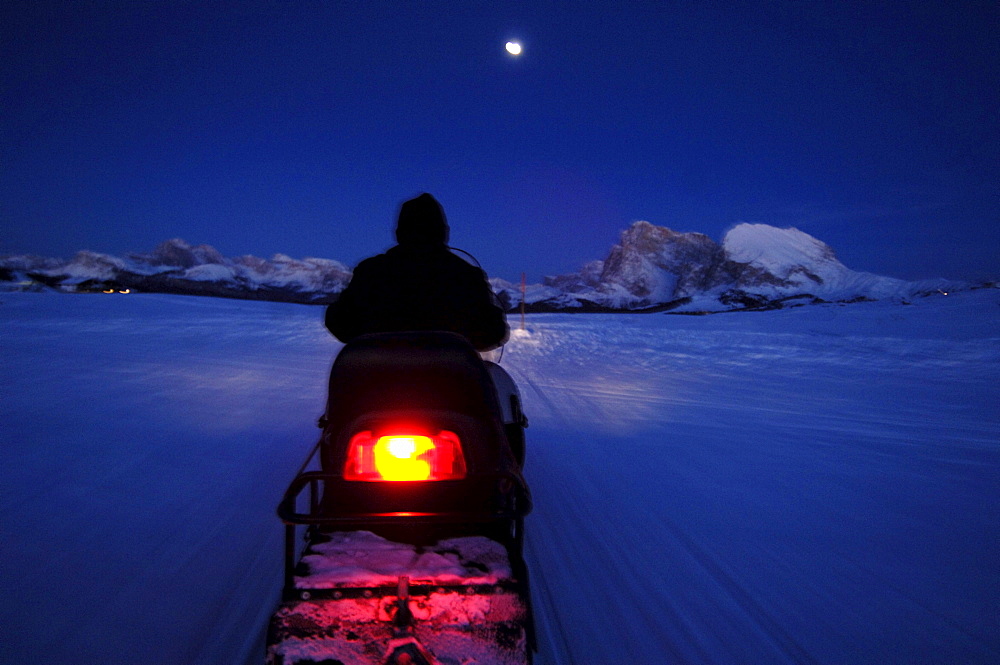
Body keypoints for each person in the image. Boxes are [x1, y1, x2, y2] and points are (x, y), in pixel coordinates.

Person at [325, 193, 509, 351]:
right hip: (449, 381)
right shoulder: (467, 275)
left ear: (399, 232)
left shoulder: (370, 271)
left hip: (378, 380)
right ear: (443, 232)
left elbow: (340, 322)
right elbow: (493, 332)